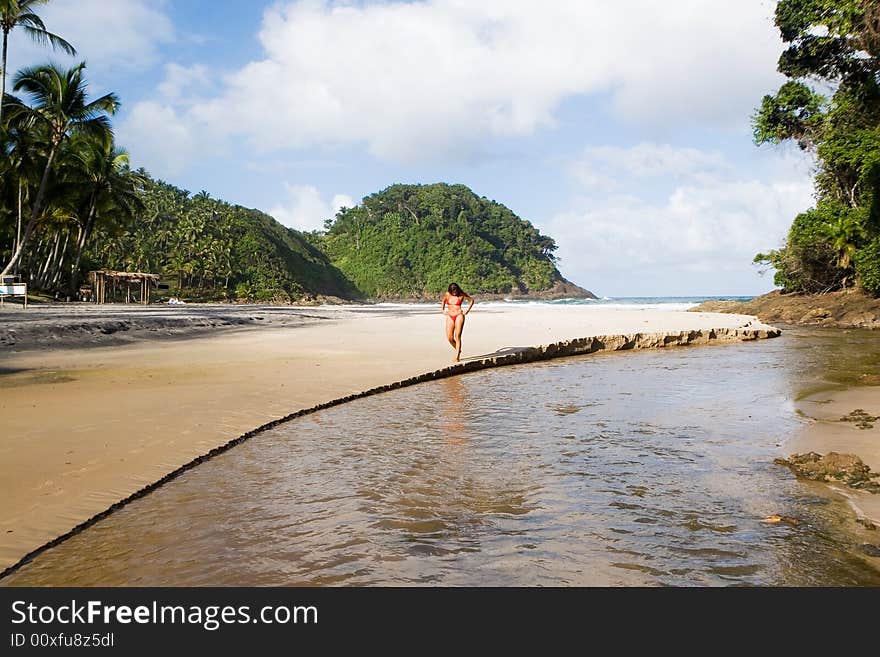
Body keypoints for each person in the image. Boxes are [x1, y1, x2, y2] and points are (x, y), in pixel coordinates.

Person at [441, 282, 474, 363]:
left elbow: (471, 300)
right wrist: (442, 310)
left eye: (455, 291)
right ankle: (458, 350)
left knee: (457, 336)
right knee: (449, 338)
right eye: (453, 291)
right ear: (450, 290)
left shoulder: (461, 294)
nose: (454, 292)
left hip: (459, 315)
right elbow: (443, 301)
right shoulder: (447, 294)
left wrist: (467, 310)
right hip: (450, 316)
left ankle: (457, 357)